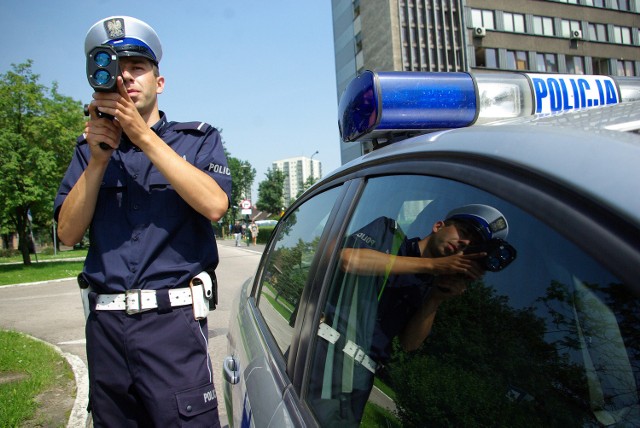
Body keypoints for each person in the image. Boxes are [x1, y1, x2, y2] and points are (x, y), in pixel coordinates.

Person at [53, 16, 231, 427]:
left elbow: (215, 205)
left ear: (159, 81)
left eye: (137, 67)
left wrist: (144, 137)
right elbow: (66, 234)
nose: (127, 78)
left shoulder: (196, 139)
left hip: (173, 327)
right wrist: (99, 159)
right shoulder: (89, 150)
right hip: (106, 331)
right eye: (116, 69)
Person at [312, 204, 511, 424]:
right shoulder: (388, 234)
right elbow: (348, 260)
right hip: (326, 355)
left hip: (361, 379)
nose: (464, 243)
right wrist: (432, 266)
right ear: (438, 226)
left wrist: (436, 298)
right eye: (463, 233)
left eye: (472, 245)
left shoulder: (427, 287)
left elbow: (410, 344)